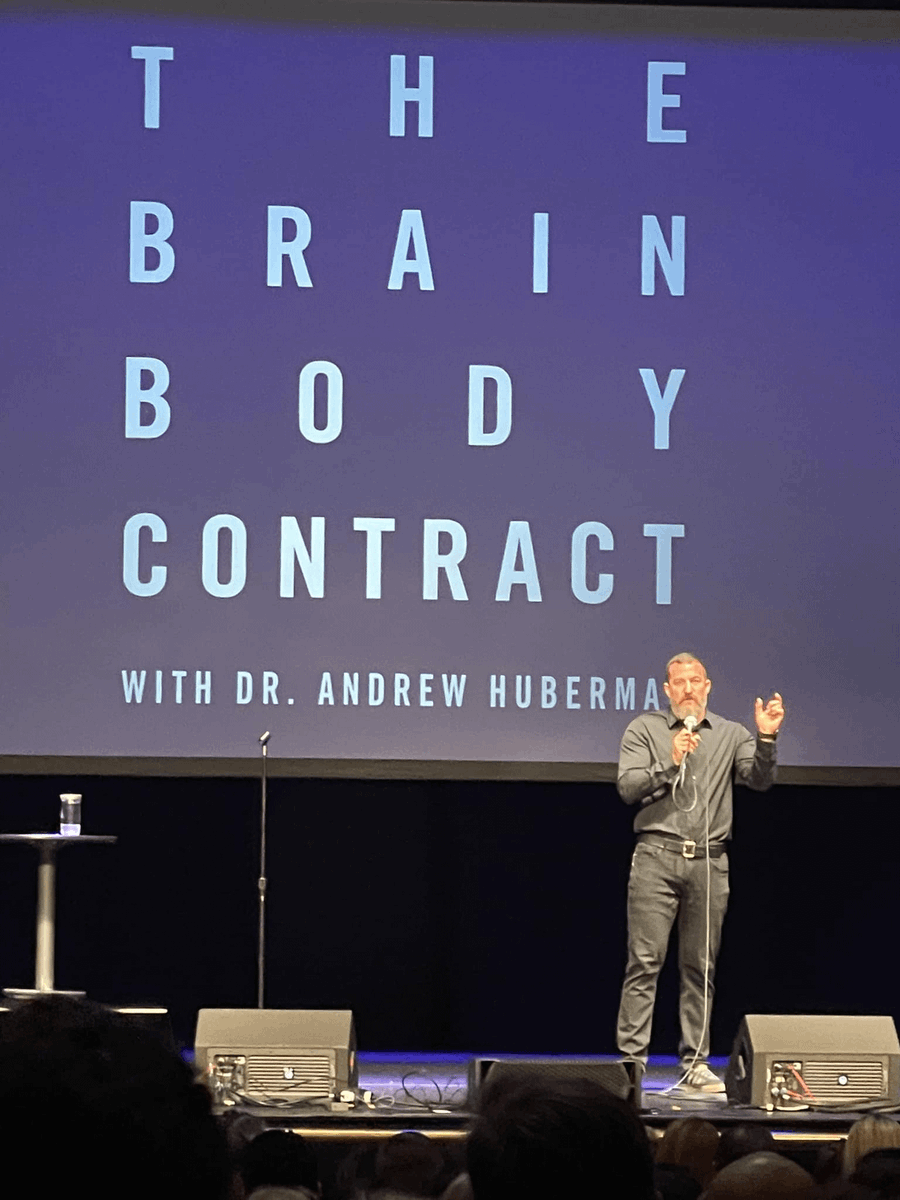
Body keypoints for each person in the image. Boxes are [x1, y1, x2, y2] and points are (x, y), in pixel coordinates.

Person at [616, 652, 785, 1094]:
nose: (688, 689)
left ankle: (695, 1064)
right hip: (656, 856)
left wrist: (766, 738)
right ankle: (632, 1066)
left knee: (700, 967)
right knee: (644, 963)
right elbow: (628, 787)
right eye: (680, 682)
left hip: (709, 862)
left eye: (696, 681)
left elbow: (759, 780)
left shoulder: (730, 733)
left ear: (707, 687)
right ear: (667, 690)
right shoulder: (644, 729)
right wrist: (671, 760)